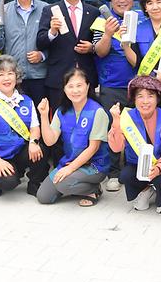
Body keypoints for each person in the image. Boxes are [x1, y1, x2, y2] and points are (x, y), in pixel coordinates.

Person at [0, 55, 48, 197]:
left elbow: (34, 128)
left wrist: (33, 142)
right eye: (1, 74)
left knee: (41, 149)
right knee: (8, 183)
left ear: (16, 76)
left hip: (19, 153)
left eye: (10, 73)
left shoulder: (26, 101)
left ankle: (34, 184)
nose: (6, 78)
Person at [36, 68, 109, 206]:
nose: (75, 90)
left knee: (63, 183)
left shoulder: (97, 111)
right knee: (44, 197)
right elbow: (50, 141)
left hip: (94, 166)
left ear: (87, 86)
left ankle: (94, 189)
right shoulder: (61, 111)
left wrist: (70, 169)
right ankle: (73, 183)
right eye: (70, 86)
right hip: (69, 162)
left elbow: (93, 148)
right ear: (64, 89)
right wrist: (44, 116)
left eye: (79, 85)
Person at [92, 0, 139, 192]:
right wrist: (109, 33)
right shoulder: (101, 22)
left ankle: (133, 169)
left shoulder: (141, 21)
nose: (122, 0)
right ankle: (112, 172)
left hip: (138, 86)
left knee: (136, 129)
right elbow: (100, 52)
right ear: (110, 0)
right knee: (112, 128)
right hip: (111, 85)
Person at [109, 76, 161, 213]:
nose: (145, 101)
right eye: (140, 96)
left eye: (150, 96)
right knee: (125, 175)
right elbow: (116, 148)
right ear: (134, 99)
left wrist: (158, 169)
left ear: (157, 99)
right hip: (137, 165)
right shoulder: (127, 118)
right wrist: (116, 121)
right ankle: (145, 190)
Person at [36, 0, 99, 112]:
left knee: (88, 117)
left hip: (86, 76)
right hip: (59, 77)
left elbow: (99, 44)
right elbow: (40, 42)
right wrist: (52, 31)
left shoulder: (93, 12)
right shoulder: (50, 10)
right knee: (60, 118)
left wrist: (91, 48)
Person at [0, 0, 49, 107]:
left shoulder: (46, 9)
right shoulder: (3, 10)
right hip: (12, 77)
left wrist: (42, 55)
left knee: (40, 114)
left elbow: (56, 42)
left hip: (39, 76)